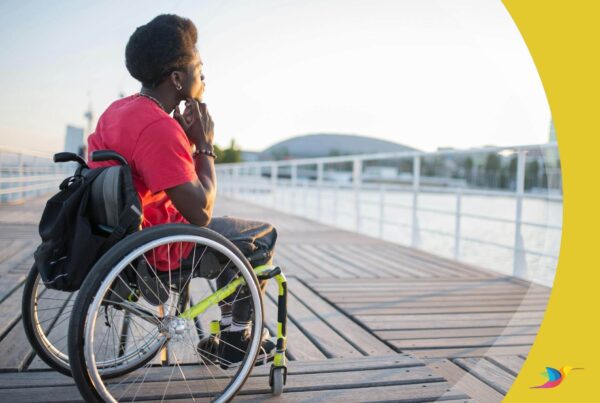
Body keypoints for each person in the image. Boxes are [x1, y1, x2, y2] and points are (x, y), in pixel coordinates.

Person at [87, 14, 276, 369]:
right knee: (260, 237)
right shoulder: (159, 128)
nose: (204, 76)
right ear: (177, 78)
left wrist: (182, 139)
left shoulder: (119, 111)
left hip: (126, 235)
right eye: (199, 67)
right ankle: (239, 338)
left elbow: (154, 164)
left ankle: (229, 328)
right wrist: (205, 146)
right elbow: (201, 212)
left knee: (231, 235)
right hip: (162, 248)